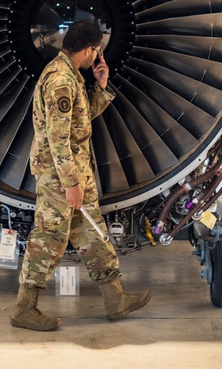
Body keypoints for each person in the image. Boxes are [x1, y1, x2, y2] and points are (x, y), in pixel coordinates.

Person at [11, 21, 150, 332]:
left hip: (74, 175)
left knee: (92, 235)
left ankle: (115, 301)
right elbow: (58, 138)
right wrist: (71, 184)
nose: (95, 58)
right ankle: (23, 309)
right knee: (49, 239)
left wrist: (101, 85)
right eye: (95, 53)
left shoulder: (71, 76)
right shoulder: (61, 80)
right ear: (89, 49)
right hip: (61, 178)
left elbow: (78, 122)